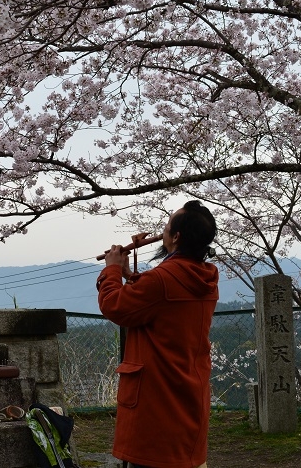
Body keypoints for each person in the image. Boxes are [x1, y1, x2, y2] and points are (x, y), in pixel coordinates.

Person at [96, 200, 219, 468]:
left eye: (166, 227)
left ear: (176, 237)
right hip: (188, 390)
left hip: (155, 400)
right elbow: (161, 302)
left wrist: (112, 270)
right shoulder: (206, 277)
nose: (161, 232)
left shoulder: (162, 280)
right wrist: (131, 277)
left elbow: (114, 306)